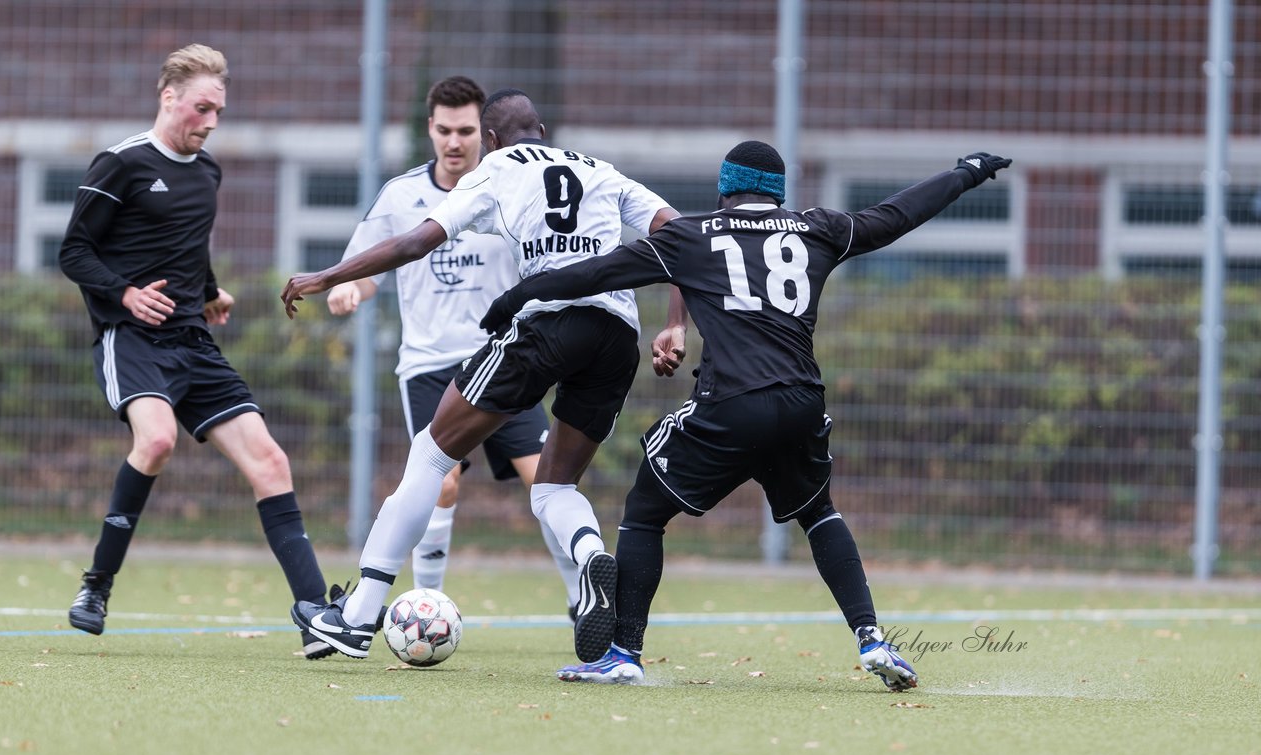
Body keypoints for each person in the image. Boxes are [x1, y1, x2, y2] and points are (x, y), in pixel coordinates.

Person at [480, 142, 1013, 689]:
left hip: (731, 404)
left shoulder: (691, 235)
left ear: (724, 188)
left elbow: (596, 273)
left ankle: (624, 653)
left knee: (643, 511)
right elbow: (897, 215)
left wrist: (520, 295)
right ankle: (872, 637)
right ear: (778, 193)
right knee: (819, 512)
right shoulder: (817, 228)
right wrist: (964, 174)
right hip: (802, 402)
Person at [281, 89, 679, 659]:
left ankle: (359, 614)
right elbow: (679, 234)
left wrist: (326, 274)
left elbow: (417, 241)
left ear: (490, 140)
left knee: (431, 455)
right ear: (542, 128)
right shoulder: (600, 170)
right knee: (554, 484)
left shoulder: (495, 168)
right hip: (618, 334)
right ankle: (590, 556)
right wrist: (675, 325)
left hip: (546, 326)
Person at [58, 44, 338, 659]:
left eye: (219, 112)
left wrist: (209, 292)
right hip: (132, 339)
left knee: (270, 461)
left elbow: (185, 244)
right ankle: (96, 586)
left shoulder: (207, 172)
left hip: (193, 340)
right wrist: (125, 295)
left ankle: (316, 612)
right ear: (169, 97)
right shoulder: (120, 163)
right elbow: (74, 253)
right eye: (202, 109)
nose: (210, 123)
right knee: (156, 441)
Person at [327, 76, 580, 611]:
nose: (454, 142)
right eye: (444, 130)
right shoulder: (401, 196)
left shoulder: (513, 189)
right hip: (430, 367)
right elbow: (369, 268)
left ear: (485, 135)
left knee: (547, 483)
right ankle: (427, 610)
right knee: (440, 485)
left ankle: (583, 600)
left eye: (465, 130)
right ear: (430, 129)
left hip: (504, 357)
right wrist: (349, 289)